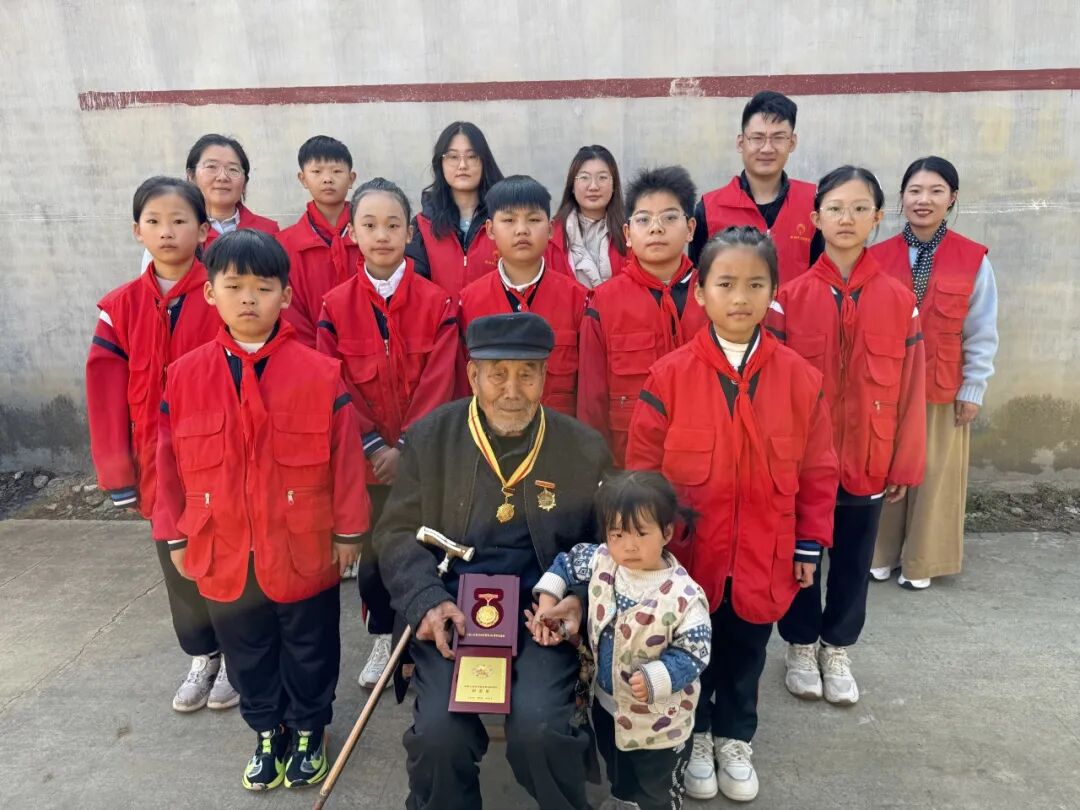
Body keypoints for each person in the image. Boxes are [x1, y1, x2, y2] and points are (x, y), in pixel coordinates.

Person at [626, 227, 838, 802]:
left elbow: (819, 470)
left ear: (774, 291)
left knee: (747, 652)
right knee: (688, 650)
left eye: (755, 285)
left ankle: (734, 737)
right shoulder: (669, 376)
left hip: (765, 554)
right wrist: (644, 550)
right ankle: (695, 735)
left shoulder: (800, 379)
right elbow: (643, 471)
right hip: (690, 558)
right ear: (700, 292)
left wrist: (809, 544)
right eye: (725, 284)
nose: (740, 297)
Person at [153, 229, 370, 791]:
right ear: (210, 293)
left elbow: (346, 458)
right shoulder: (185, 375)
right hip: (223, 547)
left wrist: (349, 531)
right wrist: (174, 535)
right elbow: (167, 464)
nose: (248, 298)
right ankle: (267, 731)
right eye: (234, 286)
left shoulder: (319, 372)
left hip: (302, 544)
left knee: (310, 645)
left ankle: (309, 730)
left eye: (263, 287)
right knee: (246, 650)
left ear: (286, 295)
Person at [375, 312, 612, 810]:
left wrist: (577, 600)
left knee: (541, 728)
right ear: (473, 374)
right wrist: (427, 600)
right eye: (497, 374)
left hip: (539, 615)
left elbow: (606, 548)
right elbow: (394, 533)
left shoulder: (583, 448)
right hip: (453, 612)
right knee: (439, 735)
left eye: (527, 374)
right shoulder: (431, 438)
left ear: (545, 376)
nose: (512, 391)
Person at [767, 167, 926, 707]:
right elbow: (773, 391)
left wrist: (904, 462)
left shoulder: (899, 300)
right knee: (800, 559)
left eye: (860, 208)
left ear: (878, 218)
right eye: (835, 208)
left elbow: (912, 387)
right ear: (816, 218)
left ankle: (837, 648)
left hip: (868, 457)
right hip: (802, 463)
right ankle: (800, 645)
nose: (846, 219)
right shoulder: (788, 299)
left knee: (855, 563)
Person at [87, 176, 239, 714]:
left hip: (219, 459)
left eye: (179, 221)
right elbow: (105, 395)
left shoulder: (224, 293)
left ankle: (237, 657)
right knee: (178, 564)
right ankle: (203, 654)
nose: (167, 231)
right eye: (154, 221)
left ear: (204, 230)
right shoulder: (120, 307)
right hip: (156, 464)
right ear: (137, 231)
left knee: (228, 557)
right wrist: (118, 474)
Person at [317, 177, 458, 688]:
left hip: (424, 461)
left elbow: (441, 379)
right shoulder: (335, 306)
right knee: (376, 553)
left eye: (393, 225)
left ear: (409, 232)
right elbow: (333, 382)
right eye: (370, 225)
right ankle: (382, 635)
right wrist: (374, 445)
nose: (382, 235)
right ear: (352, 233)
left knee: (427, 544)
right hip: (368, 463)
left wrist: (407, 447)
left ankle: (421, 631)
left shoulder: (438, 303)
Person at [529, 470, 712, 810]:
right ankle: (624, 799)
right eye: (617, 534)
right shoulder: (602, 560)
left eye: (641, 533)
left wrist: (660, 675)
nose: (629, 545)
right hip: (609, 707)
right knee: (618, 768)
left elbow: (695, 651)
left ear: (666, 532)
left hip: (660, 723)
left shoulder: (684, 596)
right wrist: (548, 602)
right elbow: (566, 564)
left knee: (657, 787)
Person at [869, 156, 999, 589]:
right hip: (887, 383)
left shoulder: (972, 259)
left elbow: (982, 328)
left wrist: (973, 387)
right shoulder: (876, 257)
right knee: (885, 466)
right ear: (902, 198)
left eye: (936, 191)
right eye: (915, 191)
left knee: (934, 471)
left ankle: (922, 560)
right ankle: (880, 552)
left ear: (952, 198)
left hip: (942, 384)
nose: (923, 200)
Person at [578, 166, 708, 467]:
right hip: (631, 468)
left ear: (690, 228)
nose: (656, 228)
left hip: (705, 461)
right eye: (644, 219)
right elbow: (591, 401)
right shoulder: (604, 303)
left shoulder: (714, 295)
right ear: (627, 234)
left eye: (669, 217)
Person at [459, 175, 587, 416]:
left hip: (560, 431)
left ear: (550, 229)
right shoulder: (468, 302)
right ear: (490, 230)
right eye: (509, 220)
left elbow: (588, 387)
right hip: (491, 431)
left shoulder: (578, 299)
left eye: (534, 220)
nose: (521, 230)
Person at [689, 92, 815, 286]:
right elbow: (698, 283)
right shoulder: (708, 209)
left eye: (778, 138)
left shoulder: (813, 204)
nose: (767, 148)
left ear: (792, 142)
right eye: (757, 138)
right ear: (741, 143)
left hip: (798, 307)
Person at [139, 134, 280, 272]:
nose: (222, 177)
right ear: (191, 176)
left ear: (244, 183)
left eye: (233, 169)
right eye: (211, 167)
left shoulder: (268, 231)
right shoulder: (172, 232)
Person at [277, 135, 360, 347]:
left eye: (337, 171)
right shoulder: (284, 244)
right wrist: (316, 357)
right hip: (310, 353)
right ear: (303, 179)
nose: (327, 179)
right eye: (317, 171)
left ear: (351, 178)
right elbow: (288, 309)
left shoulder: (370, 236)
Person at [405, 121, 505, 297]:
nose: (462, 165)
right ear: (440, 163)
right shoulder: (422, 226)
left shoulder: (505, 220)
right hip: (440, 315)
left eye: (472, 156)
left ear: (484, 161)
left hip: (496, 315)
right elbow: (416, 288)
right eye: (453, 157)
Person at [551, 145, 628, 288]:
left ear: (614, 185)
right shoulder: (552, 236)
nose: (593, 186)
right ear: (572, 186)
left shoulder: (630, 234)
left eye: (602, 178)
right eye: (584, 177)